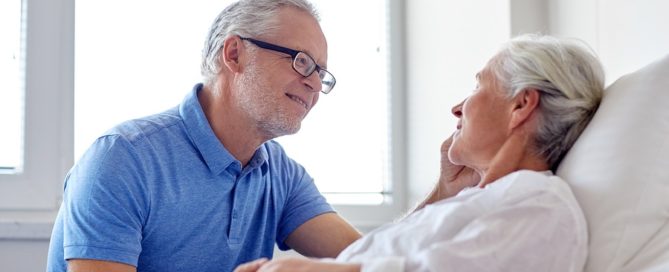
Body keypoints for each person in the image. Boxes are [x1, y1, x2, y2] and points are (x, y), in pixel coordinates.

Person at [235, 34, 605, 272]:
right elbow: (385, 253)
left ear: (521, 105)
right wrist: (444, 192)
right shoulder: (482, 203)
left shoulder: (541, 206)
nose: (458, 107)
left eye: (478, 86)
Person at [46, 1, 361, 271]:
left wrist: (412, 227)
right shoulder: (121, 160)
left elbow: (372, 258)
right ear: (235, 53)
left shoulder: (280, 173)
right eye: (301, 62)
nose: (315, 85)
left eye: (320, 73)